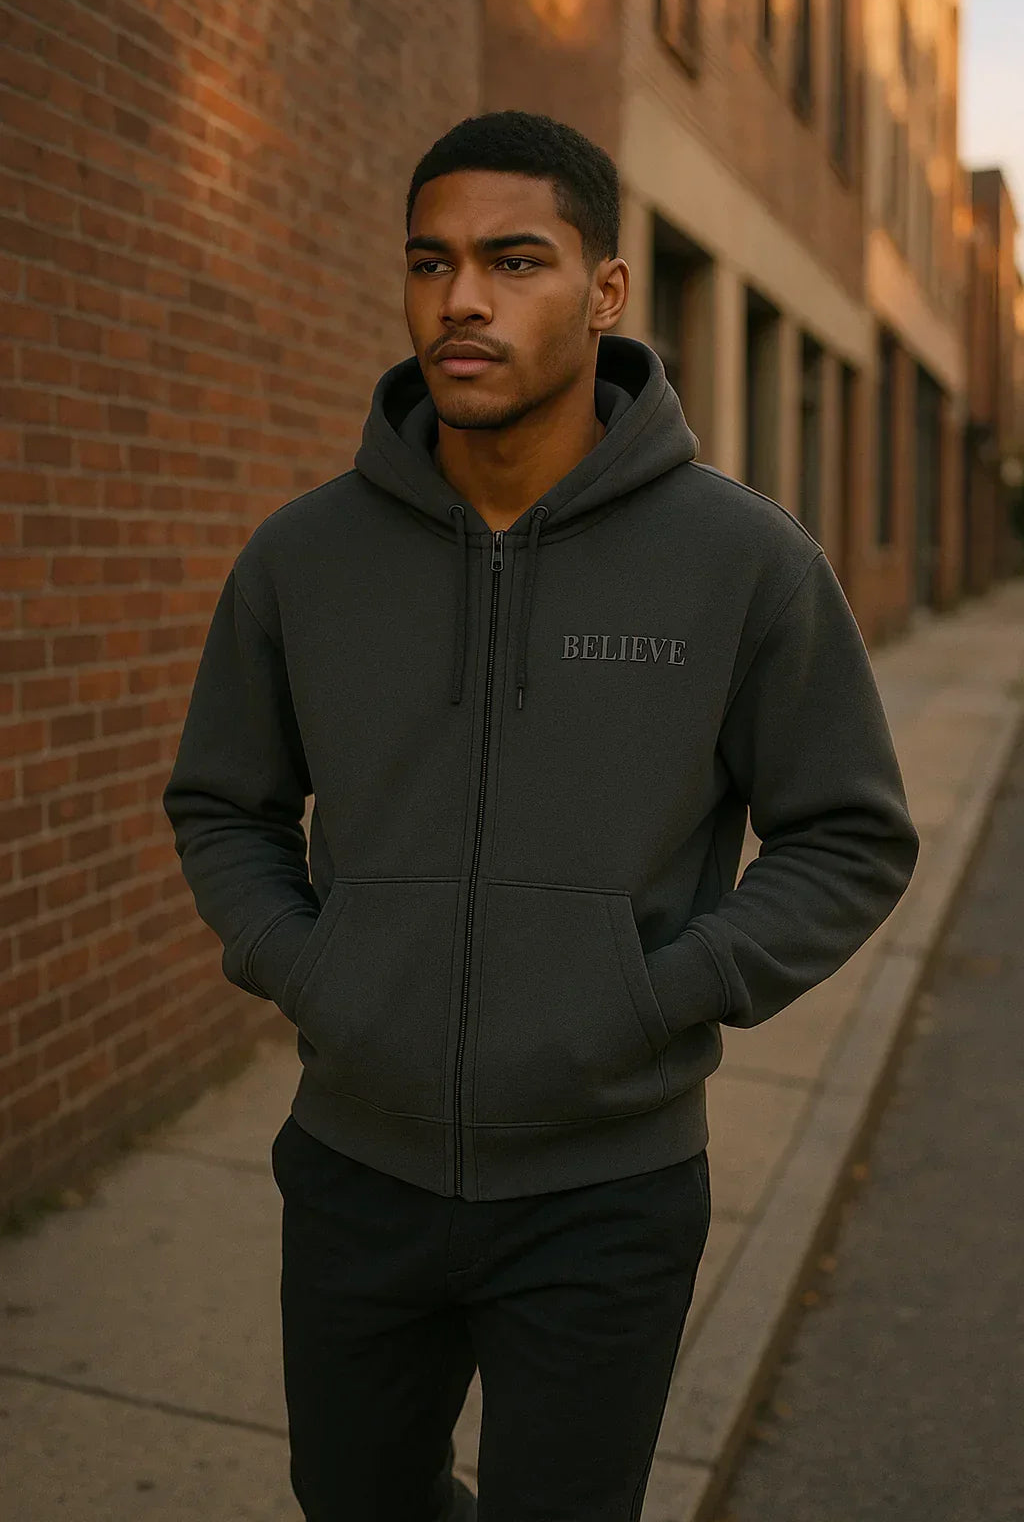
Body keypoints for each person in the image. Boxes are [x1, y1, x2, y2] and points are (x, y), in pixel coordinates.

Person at [162, 110, 919, 1522]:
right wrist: (313, 964)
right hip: (355, 1169)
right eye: (431, 262)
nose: (462, 300)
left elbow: (850, 833)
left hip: (607, 1193)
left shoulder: (740, 562)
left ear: (606, 291)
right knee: (353, 1497)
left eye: (515, 261)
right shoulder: (303, 559)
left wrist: (661, 991)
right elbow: (224, 805)